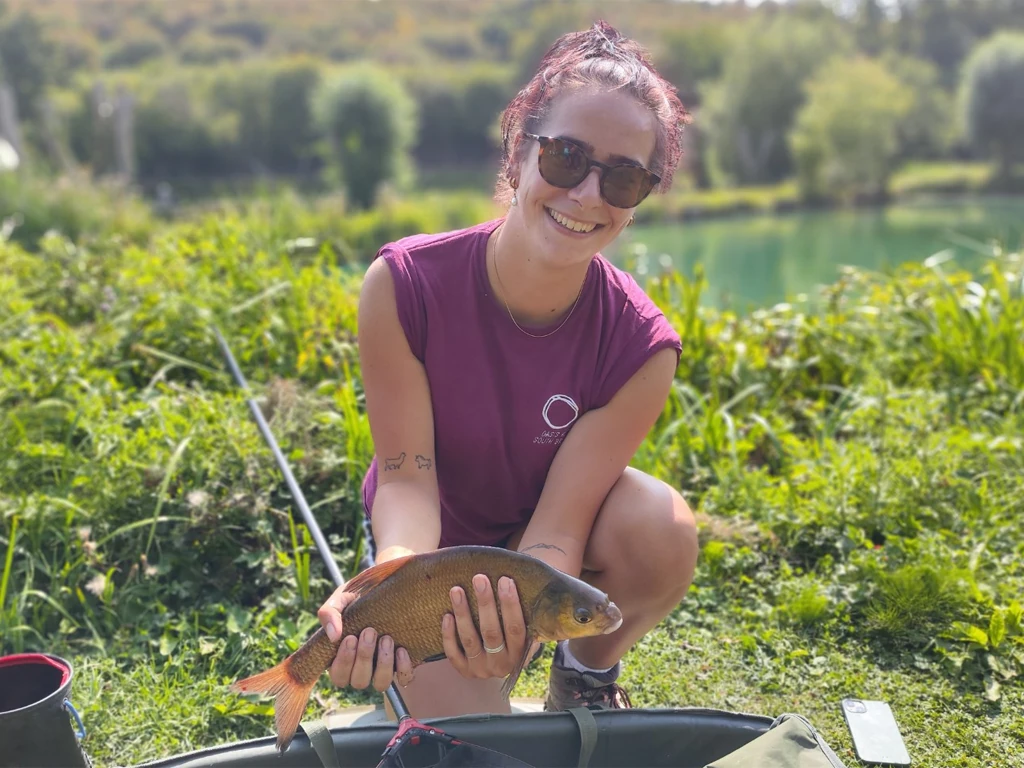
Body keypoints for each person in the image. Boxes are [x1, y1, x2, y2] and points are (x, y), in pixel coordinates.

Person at [317, 20, 699, 718]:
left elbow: (562, 522)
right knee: (466, 737)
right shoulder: (402, 284)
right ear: (521, 148)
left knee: (662, 527)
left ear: (642, 196)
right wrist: (393, 579)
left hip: (541, 544)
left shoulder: (643, 347)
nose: (588, 194)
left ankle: (583, 673)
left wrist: (518, 619)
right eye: (566, 157)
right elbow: (405, 478)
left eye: (622, 177)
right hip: (434, 552)